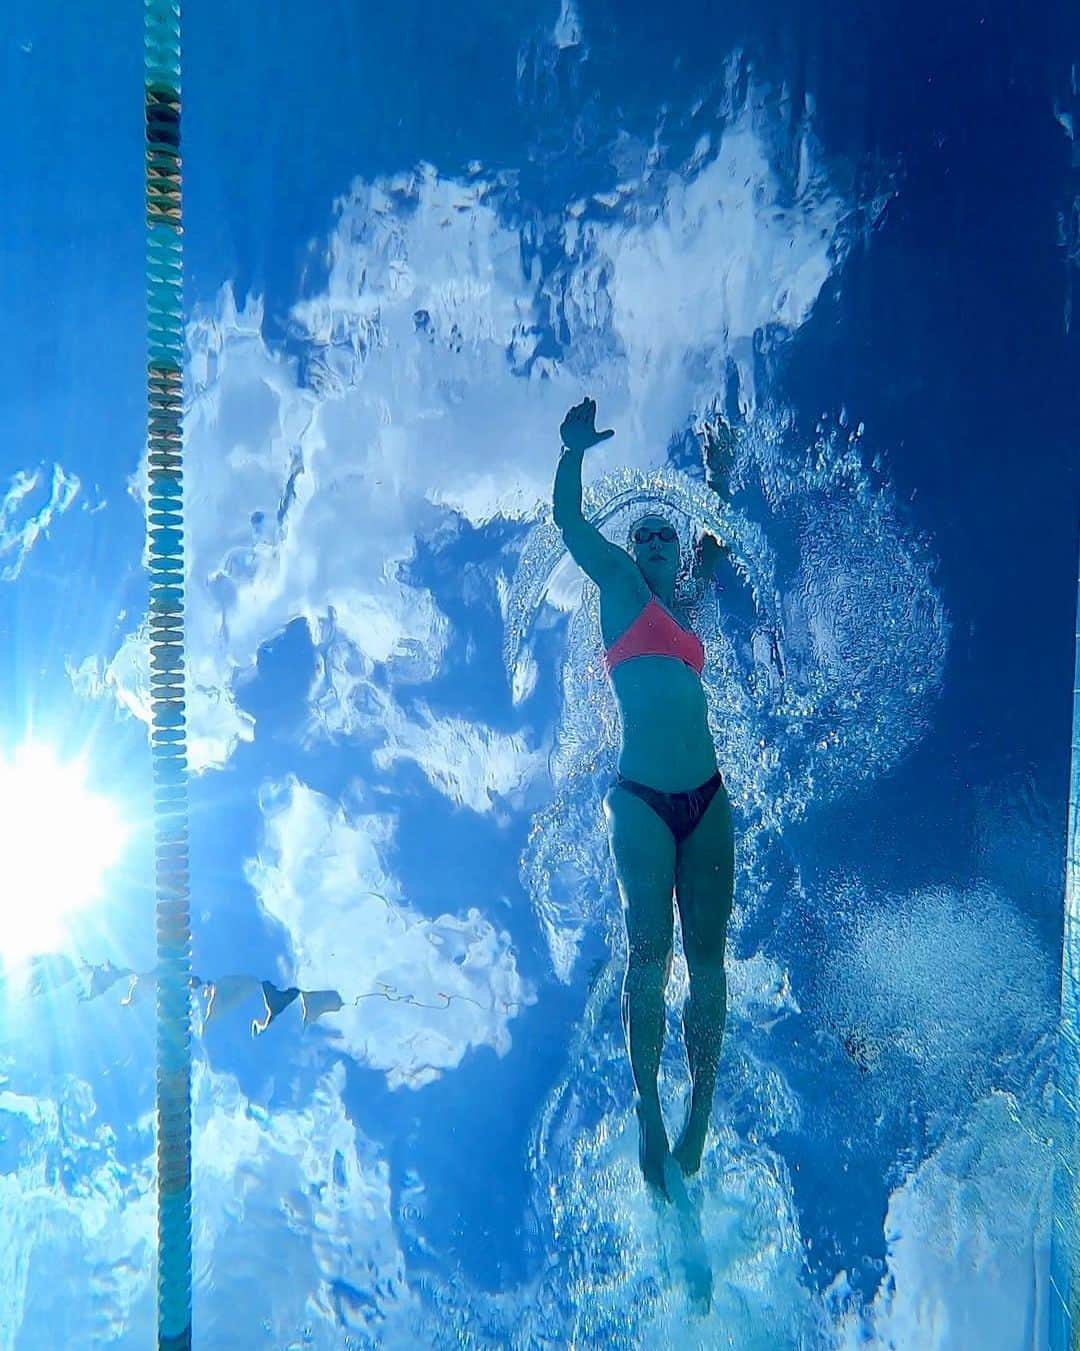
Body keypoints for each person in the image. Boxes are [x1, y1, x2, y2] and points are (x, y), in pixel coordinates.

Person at [552, 396, 736, 1199]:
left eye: (667, 537)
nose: (657, 542)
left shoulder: (686, 606)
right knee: (649, 957)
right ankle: (650, 1109)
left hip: (709, 797)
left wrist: (718, 472)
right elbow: (567, 523)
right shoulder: (622, 585)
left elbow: (716, 544)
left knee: (707, 959)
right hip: (642, 802)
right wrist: (572, 450)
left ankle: (699, 1103)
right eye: (647, 533)